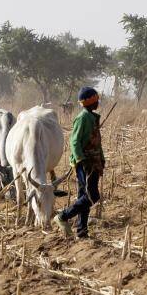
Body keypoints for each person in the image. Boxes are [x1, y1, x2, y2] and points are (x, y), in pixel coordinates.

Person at [54, 87, 105, 238]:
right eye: (96, 100)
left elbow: (96, 143)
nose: (98, 103)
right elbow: (74, 142)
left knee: (84, 195)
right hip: (85, 163)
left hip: (93, 162)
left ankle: (82, 231)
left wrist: (101, 158)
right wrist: (81, 160)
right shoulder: (83, 118)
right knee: (92, 196)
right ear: (91, 102)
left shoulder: (91, 117)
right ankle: (63, 216)